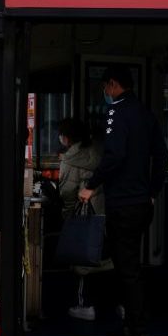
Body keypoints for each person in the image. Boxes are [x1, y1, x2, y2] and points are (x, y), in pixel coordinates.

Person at [79, 65, 168, 336]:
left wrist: (91, 185)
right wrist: (152, 192)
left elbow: (114, 155)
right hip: (142, 205)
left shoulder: (117, 112)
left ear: (114, 85)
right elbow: (163, 155)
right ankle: (131, 327)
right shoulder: (145, 113)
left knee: (127, 272)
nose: (105, 93)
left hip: (123, 204)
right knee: (131, 269)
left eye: (106, 87)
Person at [57, 118, 109, 321]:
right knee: (108, 257)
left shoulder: (70, 159)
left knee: (83, 260)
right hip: (107, 210)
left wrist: (67, 215)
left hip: (85, 213)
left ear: (66, 138)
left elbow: (68, 192)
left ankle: (85, 305)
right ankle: (119, 304)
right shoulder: (101, 150)